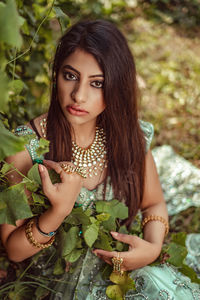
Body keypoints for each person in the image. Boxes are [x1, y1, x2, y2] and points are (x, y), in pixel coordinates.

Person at [0, 20, 199, 299]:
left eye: (97, 83)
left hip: (120, 272)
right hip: (57, 284)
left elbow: (153, 203)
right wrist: (58, 211)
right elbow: (13, 248)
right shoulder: (25, 147)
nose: (79, 95)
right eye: (70, 76)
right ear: (56, 74)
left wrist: (152, 248)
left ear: (117, 87)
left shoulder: (128, 136)